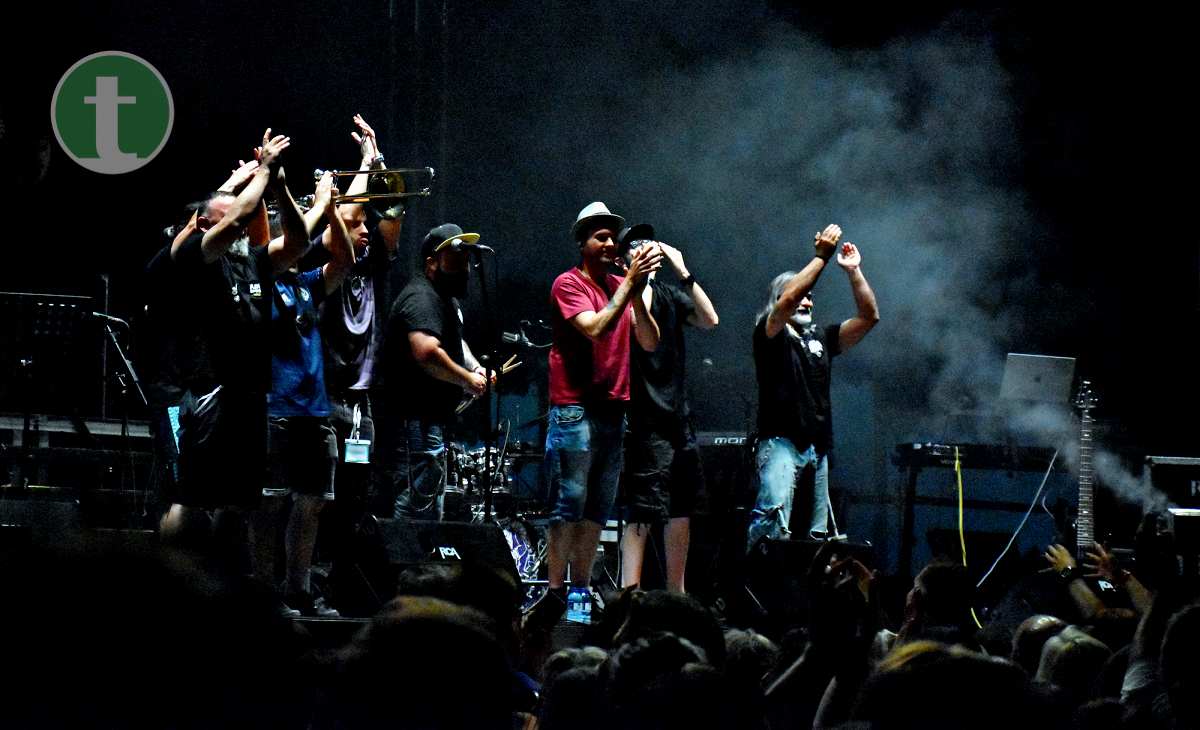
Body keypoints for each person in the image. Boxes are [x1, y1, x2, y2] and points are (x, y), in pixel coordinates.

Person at [168, 130, 311, 568]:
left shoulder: (251, 260)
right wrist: (263, 172)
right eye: (230, 215)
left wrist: (281, 186)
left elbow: (300, 242)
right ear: (209, 223)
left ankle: (226, 586)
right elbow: (235, 218)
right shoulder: (200, 251)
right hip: (212, 391)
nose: (244, 220)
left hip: (249, 396)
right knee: (193, 500)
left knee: (239, 505)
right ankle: (169, 573)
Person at [525, 202, 662, 630]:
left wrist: (638, 290)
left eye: (612, 238)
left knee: (596, 510)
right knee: (568, 504)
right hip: (574, 409)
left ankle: (581, 590)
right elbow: (597, 326)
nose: (609, 244)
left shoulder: (623, 284)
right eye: (600, 237)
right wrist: (629, 286)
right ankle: (554, 592)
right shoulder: (568, 284)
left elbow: (649, 341)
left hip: (612, 410)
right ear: (582, 243)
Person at [255, 170, 355, 617]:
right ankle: (263, 592)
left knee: (311, 504)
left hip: (315, 410)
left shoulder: (307, 282)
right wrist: (316, 203)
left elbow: (346, 260)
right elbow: (297, 239)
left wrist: (332, 208)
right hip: (275, 407)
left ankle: (298, 587)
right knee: (271, 505)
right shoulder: (262, 276)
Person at [745, 224, 879, 551]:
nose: (806, 302)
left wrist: (854, 271)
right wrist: (821, 257)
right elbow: (789, 299)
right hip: (780, 443)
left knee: (816, 537)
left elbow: (868, 316)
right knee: (772, 523)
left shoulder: (820, 338)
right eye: (799, 296)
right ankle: (756, 587)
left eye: (810, 297)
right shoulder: (769, 334)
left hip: (816, 449)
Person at [617, 223, 719, 593]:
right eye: (635, 244)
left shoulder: (670, 293)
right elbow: (644, 338)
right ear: (622, 257)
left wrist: (683, 269)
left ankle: (677, 595)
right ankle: (630, 595)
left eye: (649, 242)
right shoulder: (623, 293)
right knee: (641, 512)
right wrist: (637, 277)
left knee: (681, 511)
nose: (646, 248)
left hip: (679, 418)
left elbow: (710, 320)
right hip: (644, 420)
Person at [382, 223, 489, 520]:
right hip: (414, 419)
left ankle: (420, 564)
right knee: (413, 503)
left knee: (428, 503)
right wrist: (467, 379)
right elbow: (427, 352)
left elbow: (454, 342)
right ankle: (403, 565)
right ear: (432, 262)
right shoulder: (421, 297)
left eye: (466, 258)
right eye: (455, 258)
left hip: (431, 420)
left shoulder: (445, 300)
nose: (465, 266)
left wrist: (475, 367)